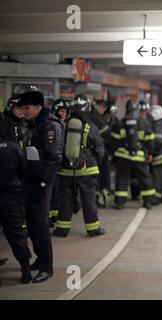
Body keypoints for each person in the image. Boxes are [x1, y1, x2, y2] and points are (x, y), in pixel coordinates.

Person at [20, 90, 64, 283]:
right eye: (22, 108)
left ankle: (47, 266)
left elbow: (54, 158)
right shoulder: (34, 124)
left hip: (41, 183)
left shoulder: (50, 126)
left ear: (38, 107)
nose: (24, 111)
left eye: (27, 108)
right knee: (31, 223)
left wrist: (44, 183)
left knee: (40, 224)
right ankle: (39, 258)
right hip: (30, 181)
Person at [53, 95, 105, 237]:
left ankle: (62, 229)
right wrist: (97, 163)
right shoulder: (90, 126)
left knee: (66, 199)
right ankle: (93, 229)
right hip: (86, 169)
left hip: (66, 170)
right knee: (88, 199)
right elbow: (99, 149)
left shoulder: (64, 125)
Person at [111, 100, 156, 209]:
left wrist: (115, 157)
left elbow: (114, 142)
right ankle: (148, 202)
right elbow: (150, 140)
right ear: (137, 110)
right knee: (145, 179)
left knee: (122, 179)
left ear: (126, 109)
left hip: (123, 157)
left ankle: (120, 202)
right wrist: (150, 153)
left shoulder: (120, 123)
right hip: (139, 157)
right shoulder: (144, 123)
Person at [0, 133, 32, 284]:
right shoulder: (13, 147)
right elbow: (24, 170)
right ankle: (26, 269)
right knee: (17, 234)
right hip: (12, 196)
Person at [48, 98, 70, 226]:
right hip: (52, 165)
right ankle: (49, 217)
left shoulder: (64, 125)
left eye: (65, 111)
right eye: (61, 111)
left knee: (57, 193)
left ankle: (54, 216)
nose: (63, 114)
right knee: (51, 193)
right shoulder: (52, 124)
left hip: (60, 165)